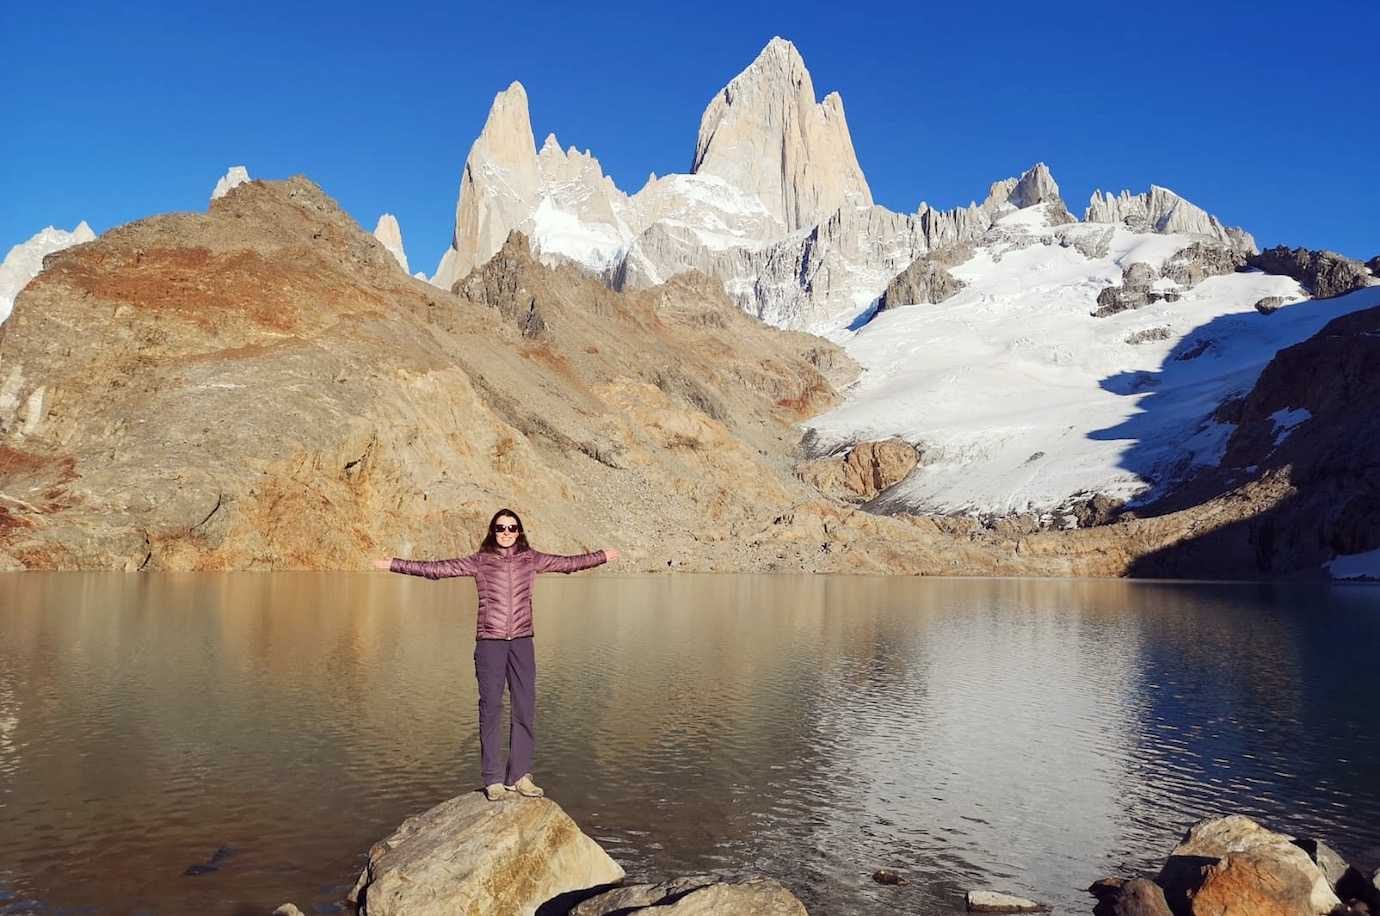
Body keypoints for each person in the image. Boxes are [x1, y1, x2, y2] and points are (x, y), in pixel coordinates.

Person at [373, 509, 618, 801]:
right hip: (490, 642)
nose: (506, 533)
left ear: (519, 531)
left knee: (525, 707)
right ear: (493, 531)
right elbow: (436, 569)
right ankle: (492, 778)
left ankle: (520, 776)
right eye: (500, 528)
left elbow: (569, 563)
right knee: (490, 709)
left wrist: (601, 556)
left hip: (523, 641)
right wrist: (394, 564)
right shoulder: (480, 561)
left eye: (512, 528)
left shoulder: (532, 559)